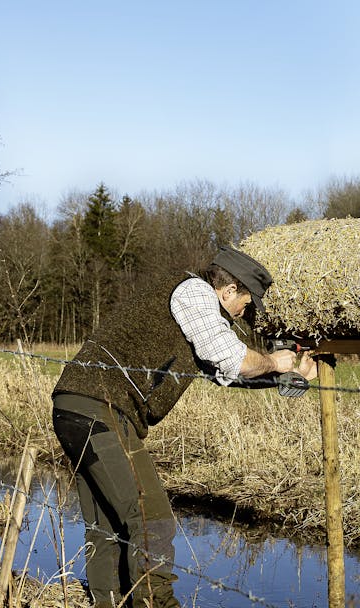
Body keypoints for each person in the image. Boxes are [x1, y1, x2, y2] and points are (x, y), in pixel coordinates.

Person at [51, 246, 315, 608]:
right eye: (248, 303)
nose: (246, 314)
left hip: (78, 407)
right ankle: (156, 603)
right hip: (99, 409)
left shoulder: (197, 313)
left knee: (108, 525)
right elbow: (232, 357)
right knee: (152, 517)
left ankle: (107, 602)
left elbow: (224, 371)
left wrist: (286, 376)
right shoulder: (193, 293)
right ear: (230, 290)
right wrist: (273, 360)